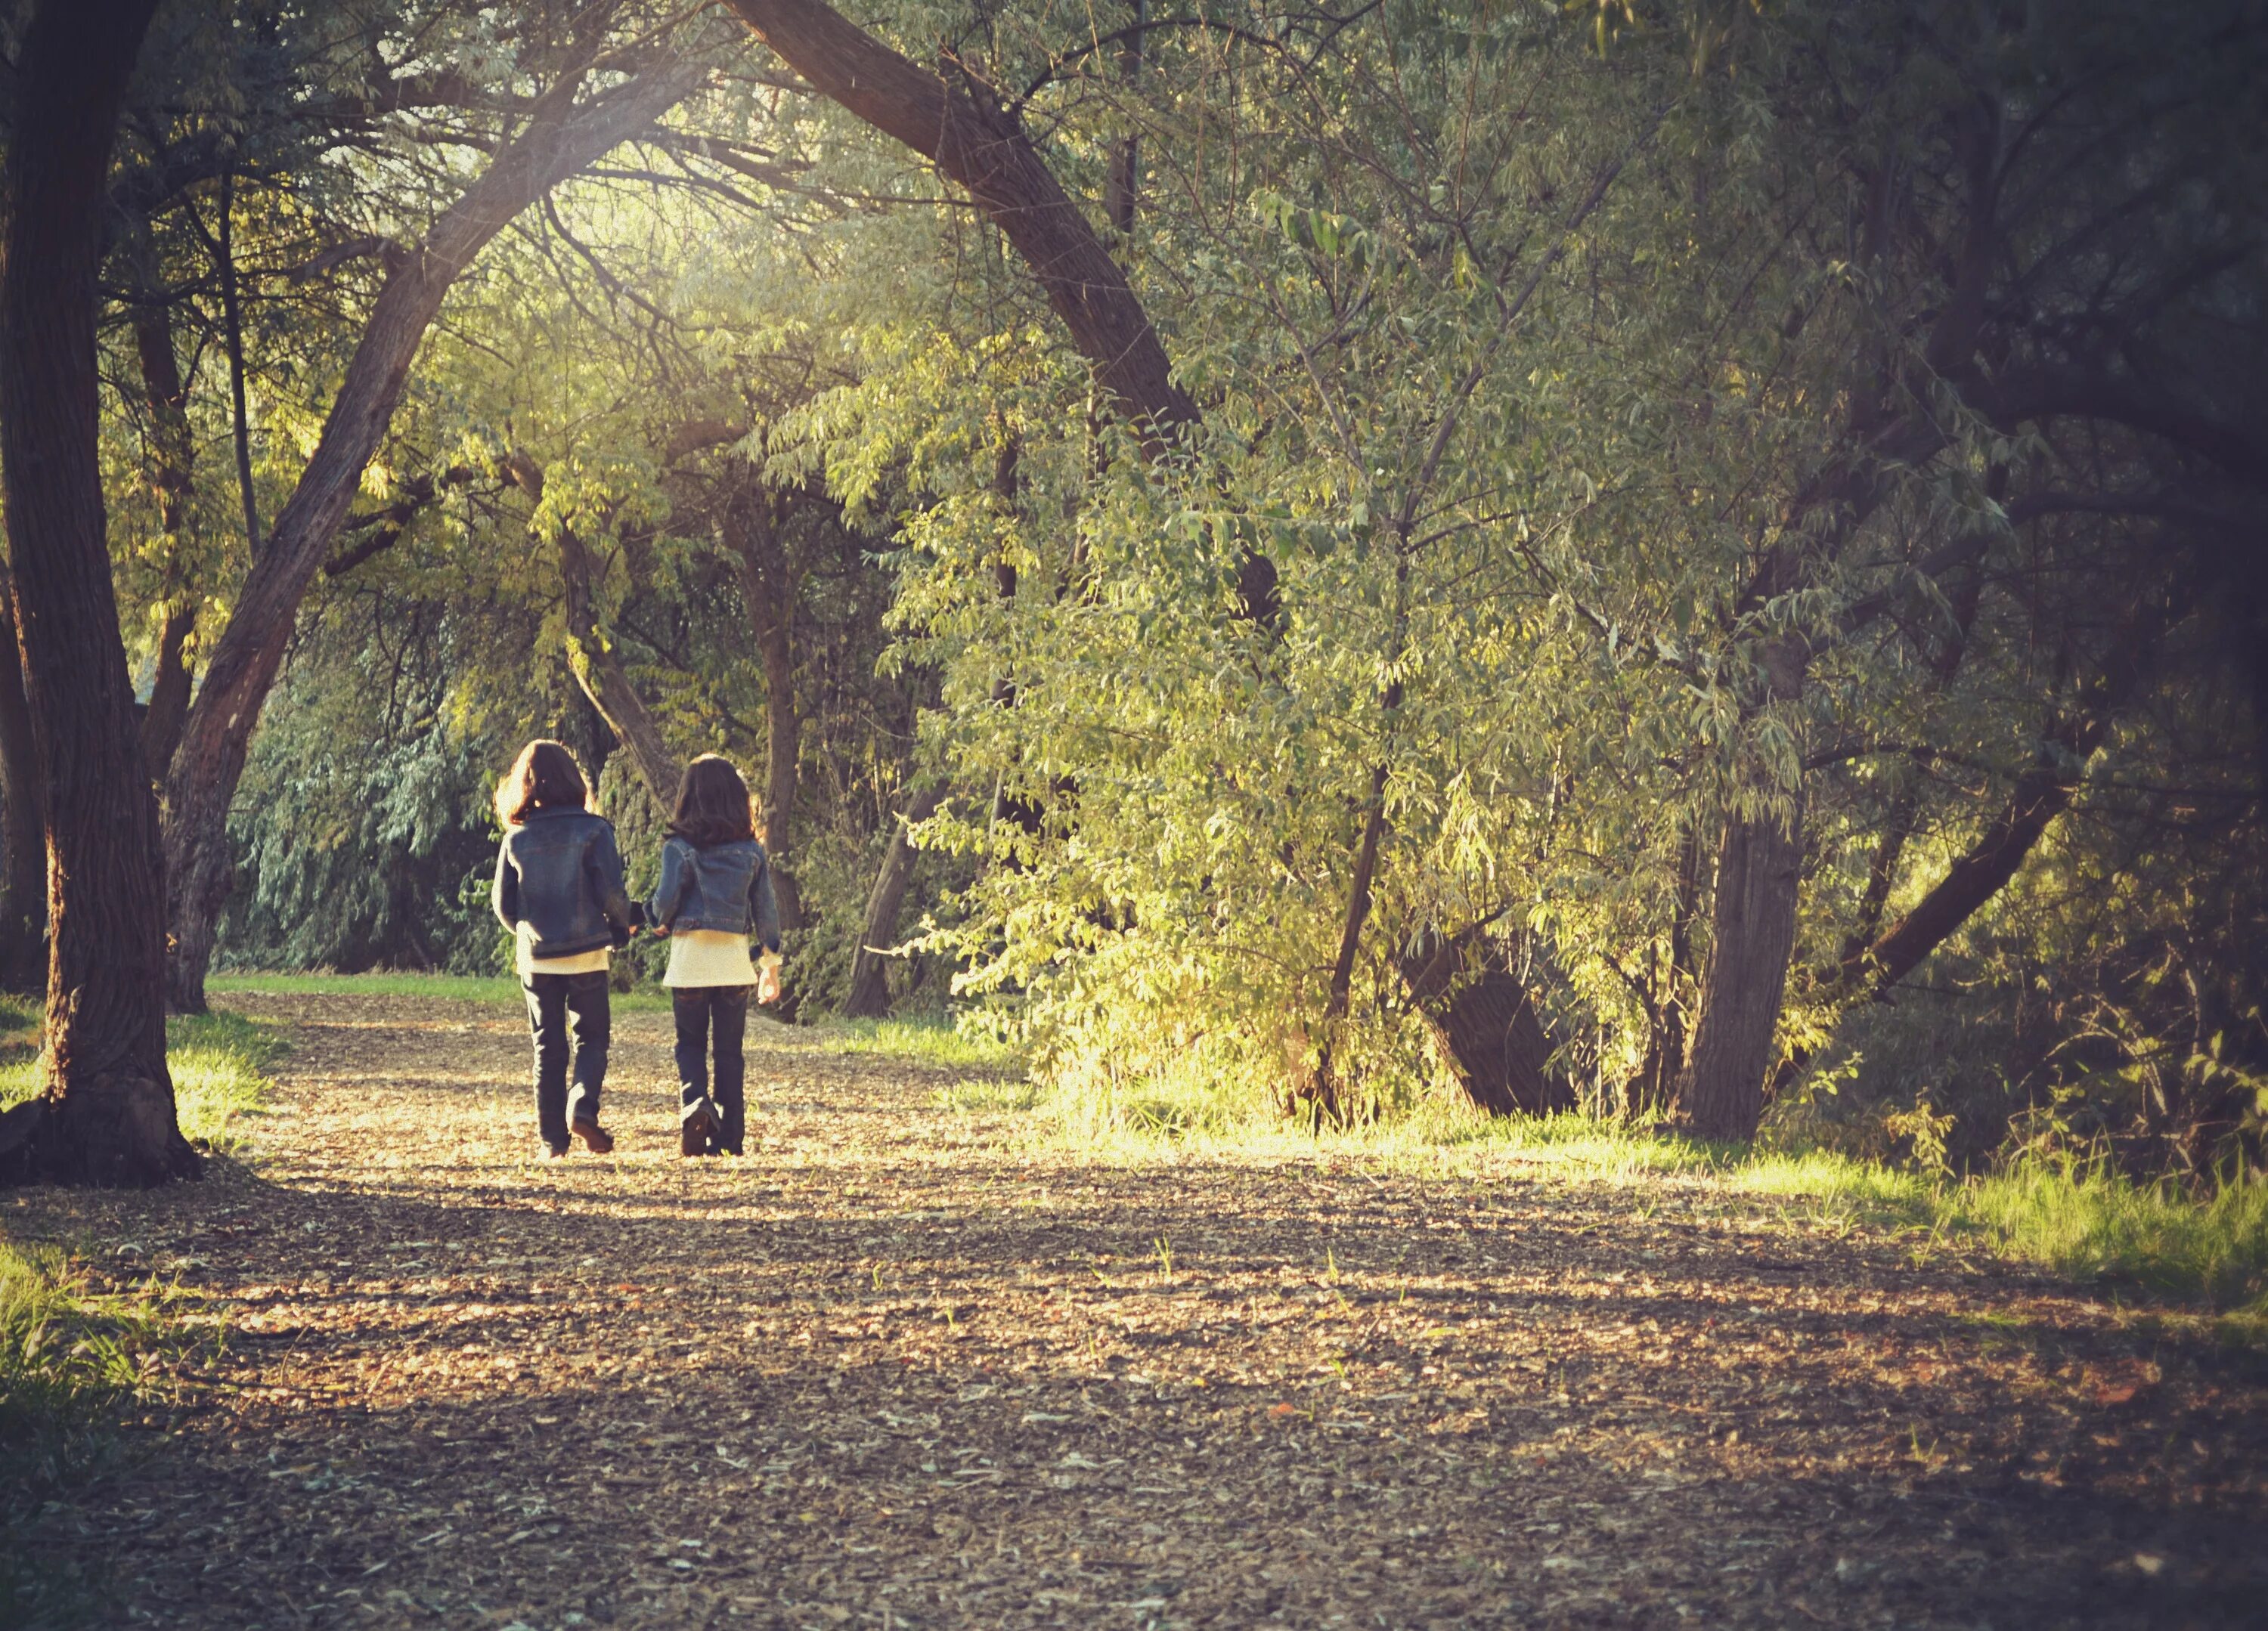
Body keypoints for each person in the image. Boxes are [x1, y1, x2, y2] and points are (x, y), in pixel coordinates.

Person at [491, 740, 638, 1158]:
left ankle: (552, 1143)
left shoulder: (515, 839)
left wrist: (529, 934)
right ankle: (582, 1105)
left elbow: (503, 906)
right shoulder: (595, 830)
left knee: (548, 1048)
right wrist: (621, 927)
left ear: (524, 785)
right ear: (574, 778)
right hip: (587, 951)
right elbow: (612, 895)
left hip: (537, 958)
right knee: (592, 1038)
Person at [646, 754, 783, 1156]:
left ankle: (695, 1104)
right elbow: (767, 916)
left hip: (689, 962)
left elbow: (665, 903)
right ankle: (730, 1138)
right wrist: (769, 967)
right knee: (729, 1052)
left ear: (689, 799)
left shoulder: (678, 848)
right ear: (737, 800)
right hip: (733, 965)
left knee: (689, 1044)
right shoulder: (751, 853)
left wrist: (655, 919)